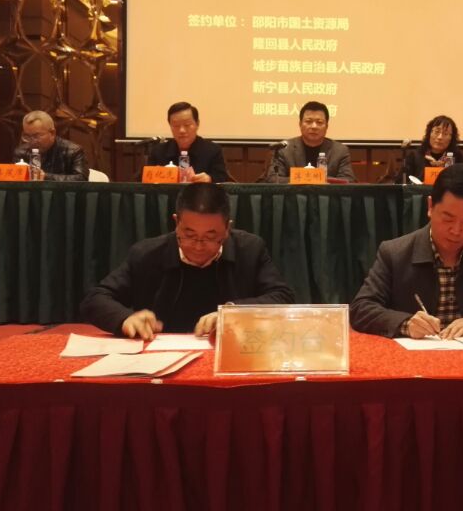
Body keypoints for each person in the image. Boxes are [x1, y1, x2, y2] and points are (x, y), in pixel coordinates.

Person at [81, 183, 294, 339]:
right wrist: (124, 318)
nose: (199, 246)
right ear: (176, 223)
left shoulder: (249, 249)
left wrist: (233, 313)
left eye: (210, 237)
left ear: (227, 228)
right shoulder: (147, 253)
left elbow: (282, 297)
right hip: (160, 356)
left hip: (230, 352)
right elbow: (96, 298)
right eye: (189, 235)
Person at [350, 164, 463, 338]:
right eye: (448, 218)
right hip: (415, 353)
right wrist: (406, 324)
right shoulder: (394, 253)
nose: (456, 230)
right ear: (430, 206)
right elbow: (361, 309)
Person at [264, 101, 356, 182]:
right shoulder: (283, 150)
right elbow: (273, 179)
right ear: (300, 124)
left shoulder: (340, 151)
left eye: (319, 122)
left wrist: (311, 178)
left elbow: (348, 180)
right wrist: (310, 178)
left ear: (327, 126)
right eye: (308, 121)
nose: (314, 126)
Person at [145, 101, 230, 182]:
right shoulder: (158, 152)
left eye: (187, 125)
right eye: (176, 125)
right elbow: (143, 182)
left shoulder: (212, 150)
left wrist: (209, 178)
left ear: (197, 124)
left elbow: (222, 178)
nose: (181, 130)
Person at [11, 110, 88, 181]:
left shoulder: (73, 151)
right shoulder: (21, 152)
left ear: (52, 133)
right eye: (27, 136)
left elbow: (81, 178)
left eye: (36, 136)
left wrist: (45, 177)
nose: (32, 141)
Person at [400, 115, 463, 182]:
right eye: (437, 132)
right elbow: (401, 182)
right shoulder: (415, 156)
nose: (440, 137)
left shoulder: (457, 157)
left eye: (445, 133)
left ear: (451, 138)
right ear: (429, 133)